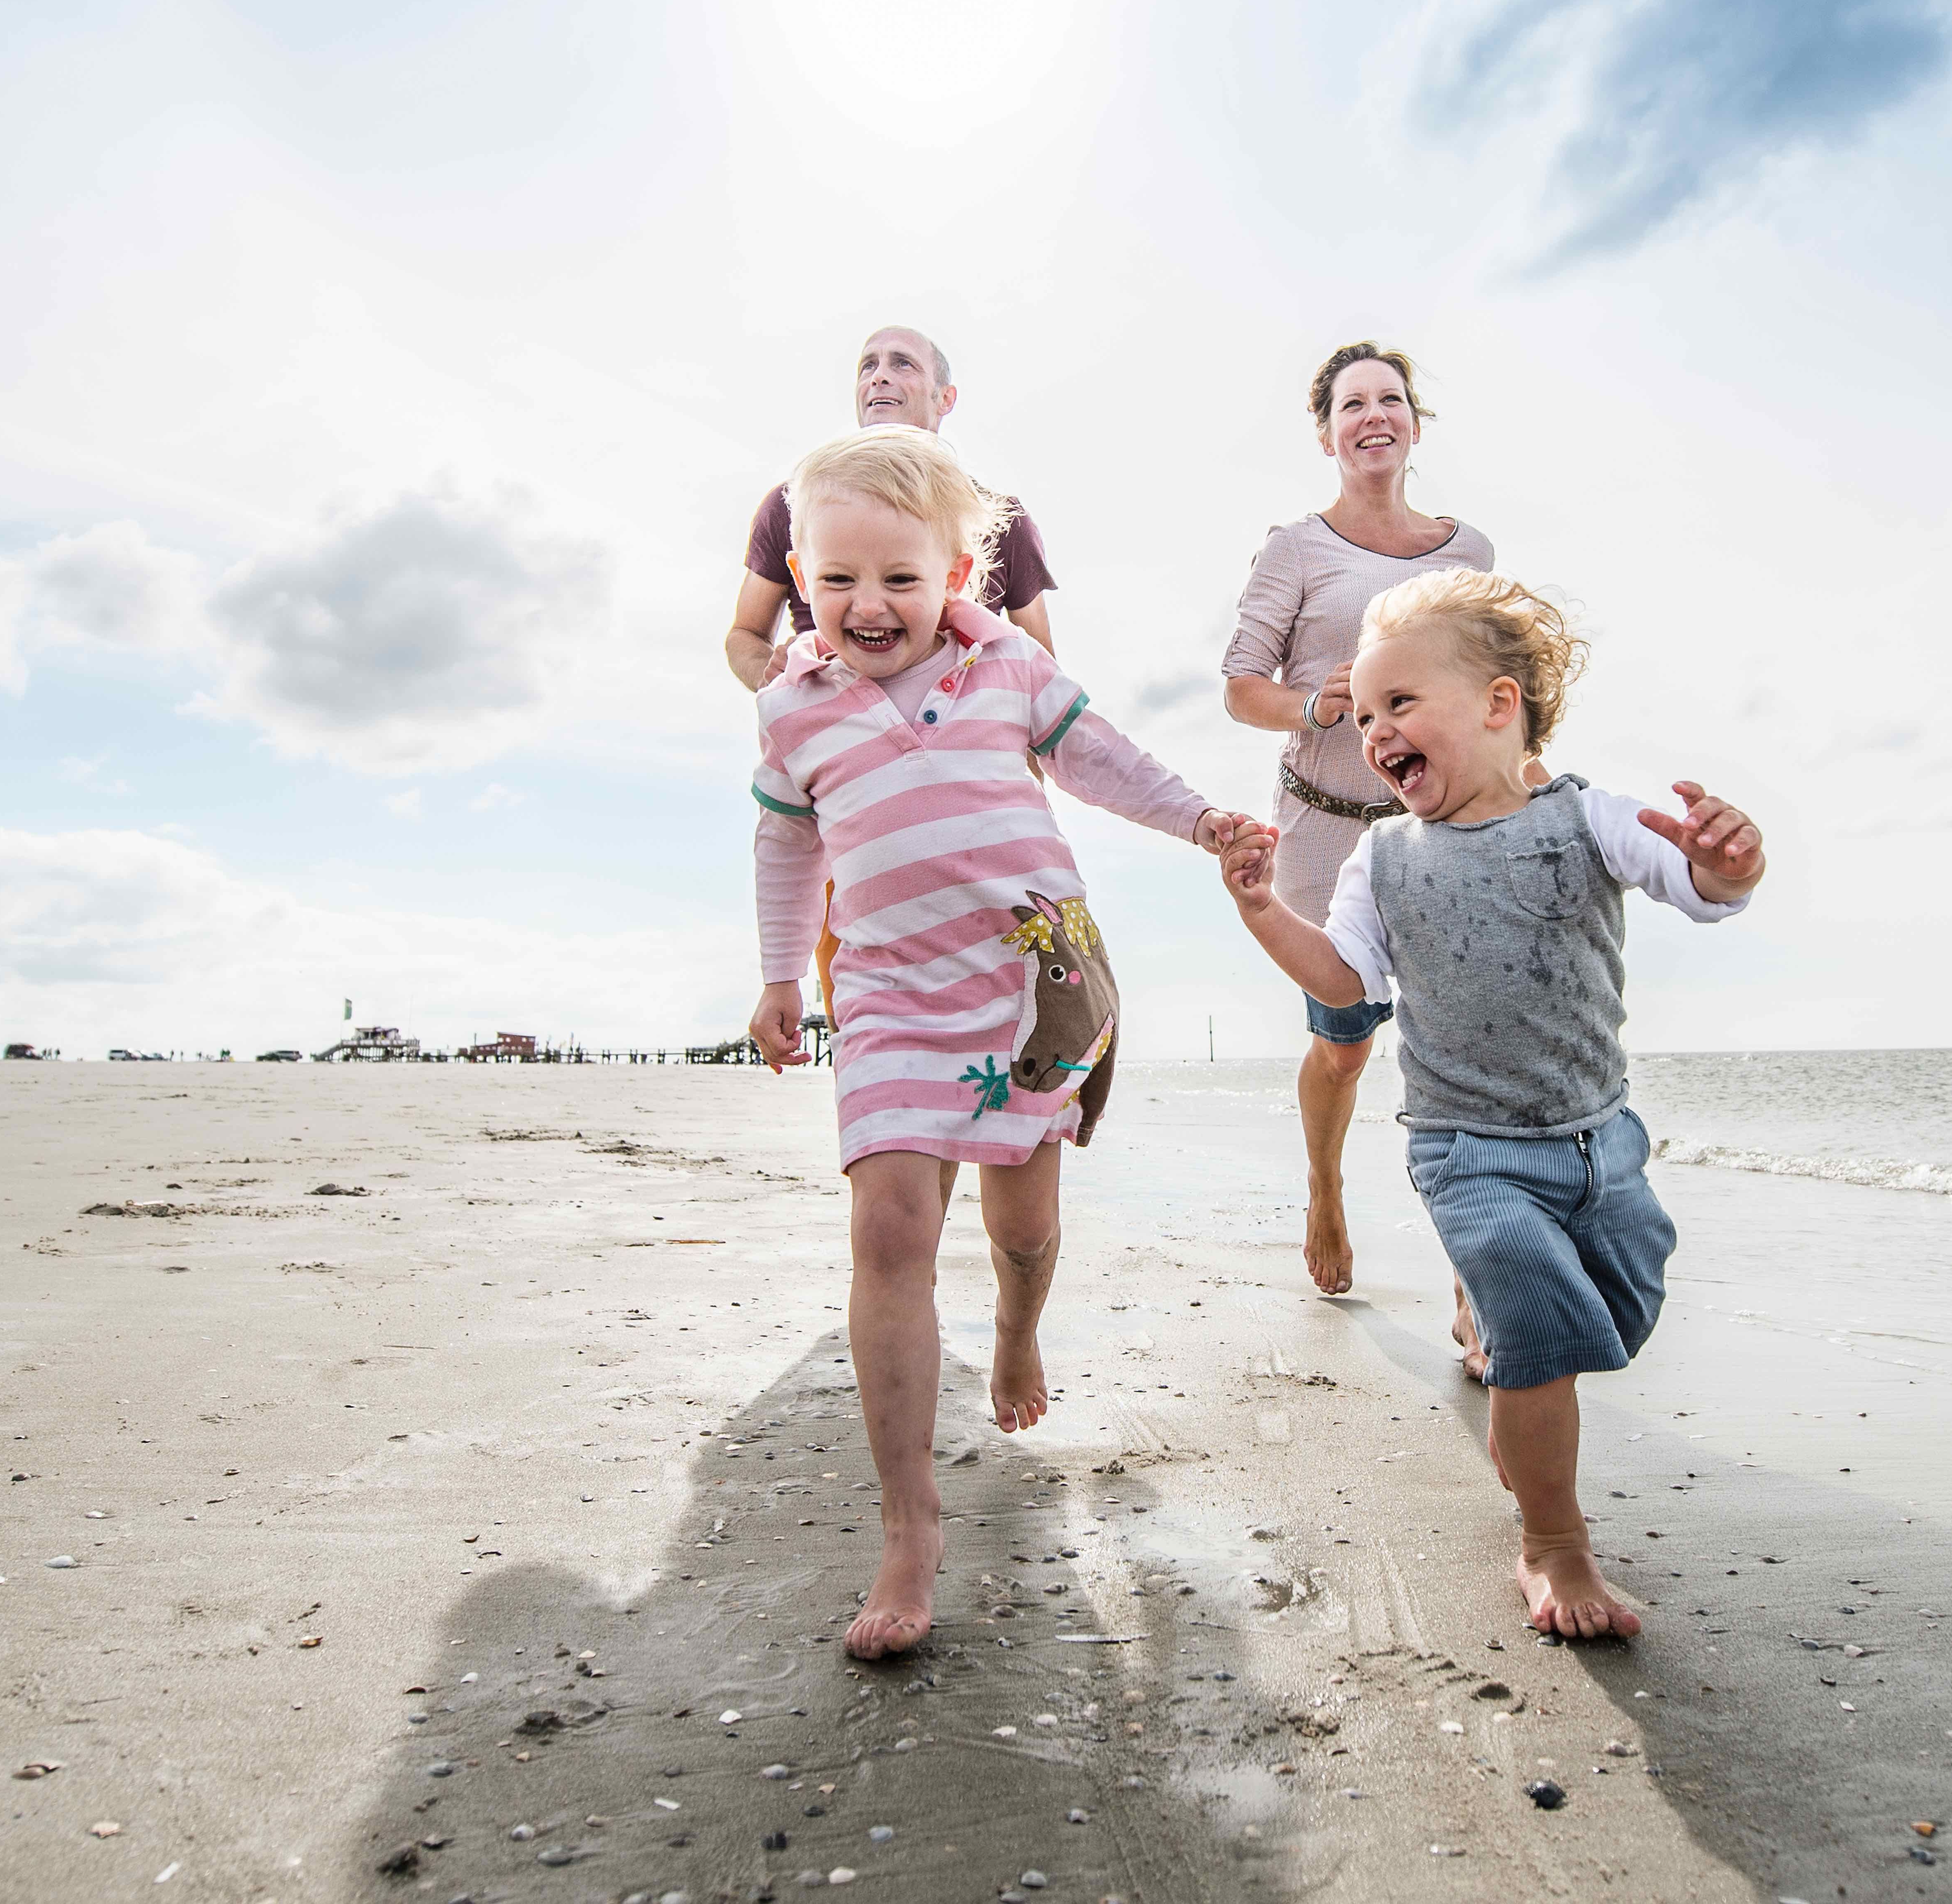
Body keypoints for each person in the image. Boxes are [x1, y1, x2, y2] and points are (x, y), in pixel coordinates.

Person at [748, 425, 1250, 1660]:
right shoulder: (792, 711)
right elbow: (784, 849)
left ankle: (1021, 1328)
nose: (870, 605)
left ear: (962, 570)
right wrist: (774, 976)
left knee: (1021, 1228)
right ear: (802, 571)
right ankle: (910, 1524)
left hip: (1033, 981)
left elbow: (1106, 762)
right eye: (839, 579)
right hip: (891, 991)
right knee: (891, 1231)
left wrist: (1205, 821)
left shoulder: (1012, 668)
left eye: (902, 580)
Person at [1213, 568, 1766, 1639]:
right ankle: (1551, 1544)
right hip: (1467, 1150)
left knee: (1614, 1307)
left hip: (1597, 1142)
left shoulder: (1589, 815)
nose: (1374, 731)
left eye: (1399, 703)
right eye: (1365, 714)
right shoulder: (1381, 859)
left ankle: (1526, 1394)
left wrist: (1729, 863)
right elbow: (1346, 985)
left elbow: (1700, 889)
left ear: (1498, 705)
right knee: (1537, 1340)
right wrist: (1259, 914)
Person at [1221, 342, 1500, 1307]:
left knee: (1457, 1047)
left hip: (1440, 832)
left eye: (1390, 400)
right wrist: (1314, 707)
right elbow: (1240, 692)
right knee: (1345, 1045)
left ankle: (1477, 1274)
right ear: (1328, 432)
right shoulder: (1296, 548)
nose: (1372, 415)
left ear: (1416, 424)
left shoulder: (1471, 555)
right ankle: (1326, 1192)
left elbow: (1495, 695)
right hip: (1324, 833)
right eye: (1352, 404)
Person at [726, 326, 1057, 690]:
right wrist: (778, 688)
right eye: (868, 366)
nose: (879, 376)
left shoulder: (1000, 517)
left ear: (945, 398)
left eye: (902, 364)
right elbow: (746, 633)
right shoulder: (793, 504)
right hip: (830, 740)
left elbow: (1041, 673)